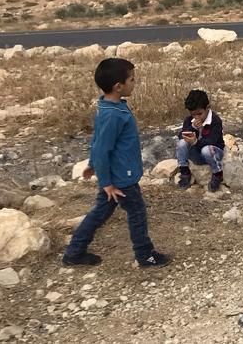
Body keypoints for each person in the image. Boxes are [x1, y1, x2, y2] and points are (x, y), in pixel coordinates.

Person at [63, 58, 169, 268]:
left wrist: (94, 164)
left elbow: (98, 142)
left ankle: (74, 252)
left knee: (99, 213)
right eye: (132, 79)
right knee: (137, 213)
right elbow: (102, 147)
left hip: (116, 176)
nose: (134, 83)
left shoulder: (109, 106)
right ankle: (145, 255)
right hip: (121, 178)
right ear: (118, 86)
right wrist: (107, 182)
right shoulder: (113, 115)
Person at [176, 89, 226, 192]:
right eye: (193, 114)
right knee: (181, 143)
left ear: (208, 107)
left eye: (199, 114)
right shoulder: (190, 120)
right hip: (196, 153)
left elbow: (213, 141)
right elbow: (182, 135)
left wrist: (195, 142)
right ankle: (185, 172)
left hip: (212, 152)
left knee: (206, 150)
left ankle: (217, 174)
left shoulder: (215, 121)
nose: (196, 117)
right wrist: (192, 128)